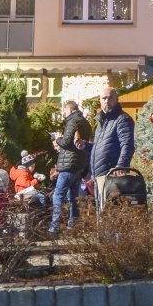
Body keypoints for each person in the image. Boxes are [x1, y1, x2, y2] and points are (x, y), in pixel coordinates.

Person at [48, 99, 92, 234]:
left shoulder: (72, 121)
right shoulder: (85, 122)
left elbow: (66, 142)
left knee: (58, 195)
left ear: (70, 110)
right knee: (73, 195)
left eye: (64, 111)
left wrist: (58, 138)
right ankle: (73, 225)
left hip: (69, 164)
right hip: (80, 163)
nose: (64, 114)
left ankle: (54, 227)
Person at [89, 87, 134, 207]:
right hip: (99, 176)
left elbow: (127, 144)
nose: (107, 101)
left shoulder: (122, 119)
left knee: (111, 212)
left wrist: (121, 166)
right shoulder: (102, 122)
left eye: (110, 97)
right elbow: (101, 147)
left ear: (117, 99)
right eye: (104, 98)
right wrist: (86, 146)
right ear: (100, 100)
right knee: (102, 211)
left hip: (112, 175)